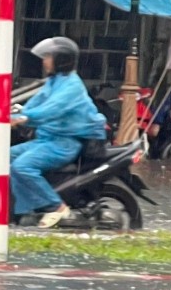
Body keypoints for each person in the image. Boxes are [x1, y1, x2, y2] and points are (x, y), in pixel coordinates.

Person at [10, 36, 108, 228]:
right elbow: (37, 102)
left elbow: (53, 109)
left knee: (22, 167)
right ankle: (24, 211)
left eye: (48, 57)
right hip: (46, 139)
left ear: (61, 59)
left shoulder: (72, 86)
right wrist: (16, 112)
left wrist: (27, 118)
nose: (44, 61)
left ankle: (57, 207)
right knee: (3, 157)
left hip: (64, 143)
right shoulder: (54, 81)